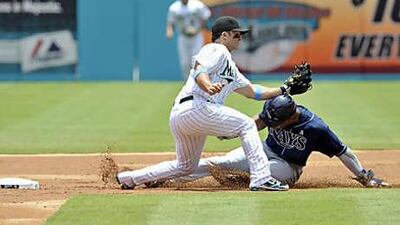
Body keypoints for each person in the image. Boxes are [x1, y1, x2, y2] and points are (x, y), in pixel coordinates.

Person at [117, 16, 312, 191]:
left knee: (186, 167)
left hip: (183, 116)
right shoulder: (216, 49)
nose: (240, 38)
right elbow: (198, 69)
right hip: (197, 106)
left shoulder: (229, 67)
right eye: (237, 35)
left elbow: (253, 92)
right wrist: (208, 85)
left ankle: (130, 178)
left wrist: (285, 89)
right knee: (246, 125)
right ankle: (261, 177)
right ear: (224, 35)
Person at [165, 95, 389, 188]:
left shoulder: (316, 128)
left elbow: (344, 152)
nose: (272, 123)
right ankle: (169, 178)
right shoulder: (276, 111)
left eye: (277, 122)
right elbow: (259, 123)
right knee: (221, 162)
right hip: (265, 149)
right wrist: (231, 132)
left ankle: (245, 178)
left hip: (288, 166)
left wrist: (363, 176)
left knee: (262, 172)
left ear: (292, 117)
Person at [166, 0, 211, 79]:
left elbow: (205, 16)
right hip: (183, 36)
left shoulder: (197, 5)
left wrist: (198, 29)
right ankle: (187, 82)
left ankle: (199, 82)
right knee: (184, 63)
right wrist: (169, 31)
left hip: (196, 37)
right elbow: (170, 22)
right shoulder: (174, 8)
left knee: (197, 61)